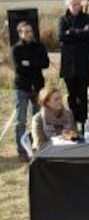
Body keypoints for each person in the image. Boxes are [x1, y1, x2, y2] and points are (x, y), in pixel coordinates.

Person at [12, 21, 49, 160]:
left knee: (37, 118)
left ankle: (36, 146)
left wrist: (29, 62)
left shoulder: (39, 47)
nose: (28, 34)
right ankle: (22, 151)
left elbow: (45, 63)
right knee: (21, 120)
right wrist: (34, 63)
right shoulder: (16, 49)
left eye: (30, 31)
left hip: (38, 87)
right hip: (22, 87)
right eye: (25, 32)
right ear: (20, 33)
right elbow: (19, 68)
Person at [58, 0, 89, 126]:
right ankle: (73, 123)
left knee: (83, 96)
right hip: (69, 65)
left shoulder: (88, 18)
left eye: (78, 4)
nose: (76, 6)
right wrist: (79, 32)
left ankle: (84, 123)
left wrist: (71, 32)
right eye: (73, 4)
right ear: (68, 4)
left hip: (83, 64)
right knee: (71, 96)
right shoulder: (63, 19)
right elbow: (61, 36)